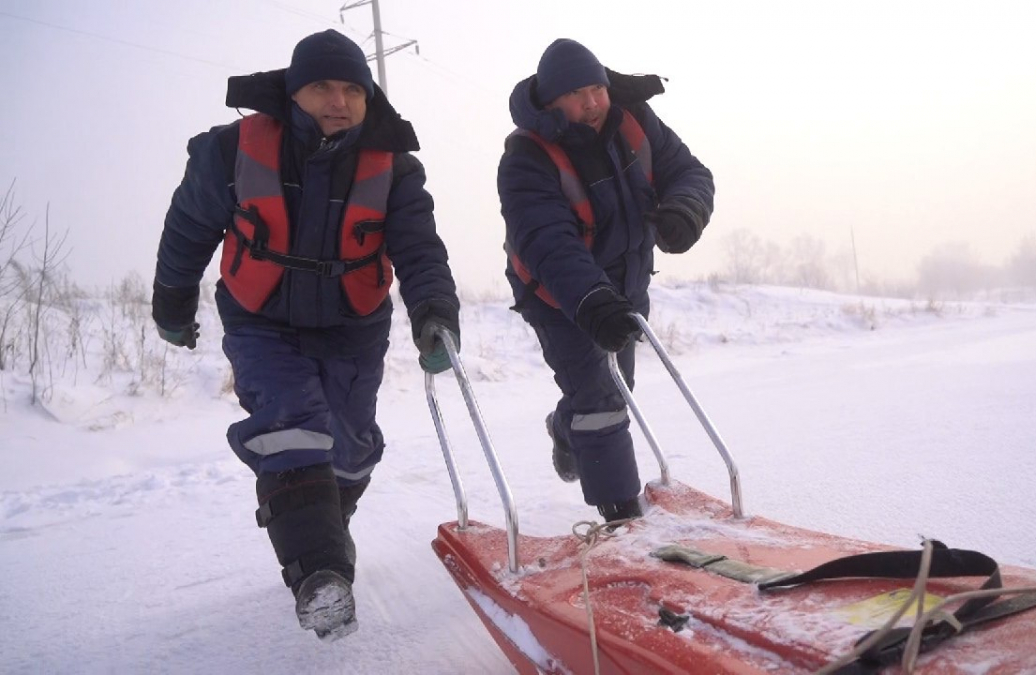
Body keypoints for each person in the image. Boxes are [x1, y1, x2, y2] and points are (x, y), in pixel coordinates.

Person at [151, 29, 460, 642]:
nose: (338, 101)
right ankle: (319, 574)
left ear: (369, 99)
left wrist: (435, 312)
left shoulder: (395, 168)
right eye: (322, 86)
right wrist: (172, 300)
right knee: (291, 423)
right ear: (294, 92)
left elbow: (421, 250)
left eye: (352, 89)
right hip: (261, 317)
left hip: (353, 324)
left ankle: (325, 516)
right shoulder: (231, 152)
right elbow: (188, 227)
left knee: (347, 447)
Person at [497, 39, 714, 523]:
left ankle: (565, 428)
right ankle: (622, 519)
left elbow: (689, 172)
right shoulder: (524, 158)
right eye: (576, 94)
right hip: (560, 298)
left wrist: (684, 210)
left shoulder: (634, 121)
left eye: (597, 88)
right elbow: (547, 240)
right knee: (600, 400)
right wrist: (593, 300)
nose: (592, 102)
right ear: (551, 102)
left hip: (627, 287)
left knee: (619, 388)